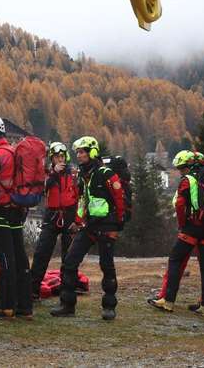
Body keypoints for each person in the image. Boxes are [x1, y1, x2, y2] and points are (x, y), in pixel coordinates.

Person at [50, 136, 125, 320]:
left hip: (107, 225)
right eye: (77, 152)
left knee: (107, 266)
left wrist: (117, 223)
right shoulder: (84, 176)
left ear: (92, 152)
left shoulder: (106, 174)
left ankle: (109, 306)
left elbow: (119, 199)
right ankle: (67, 304)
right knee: (70, 262)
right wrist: (77, 221)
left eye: (82, 152)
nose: (79, 155)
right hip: (89, 225)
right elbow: (83, 201)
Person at [148, 150, 204, 315]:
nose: (180, 171)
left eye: (181, 168)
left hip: (192, 227)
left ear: (187, 166)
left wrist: (183, 224)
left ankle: (168, 301)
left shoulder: (188, 180)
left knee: (175, 260)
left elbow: (179, 204)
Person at [0, 115, 33, 320]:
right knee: (20, 257)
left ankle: (7, 306)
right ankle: (25, 307)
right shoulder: (15, 151)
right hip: (18, 210)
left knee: (5, 259)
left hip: (1, 211)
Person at [29, 141, 78, 301]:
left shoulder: (73, 174)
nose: (60, 159)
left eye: (62, 156)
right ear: (52, 158)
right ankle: (33, 290)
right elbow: (42, 188)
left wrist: (78, 220)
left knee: (68, 255)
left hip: (69, 215)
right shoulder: (47, 174)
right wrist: (54, 174)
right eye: (57, 157)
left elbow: (80, 196)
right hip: (52, 215)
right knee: (42, 252)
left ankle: (67, 290)